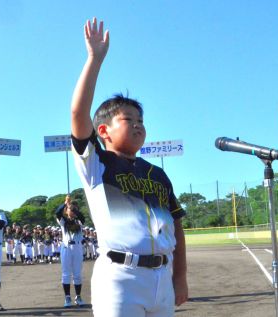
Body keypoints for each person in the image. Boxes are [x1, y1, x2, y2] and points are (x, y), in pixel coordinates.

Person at [69, 18, 188, 317]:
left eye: (141, 121)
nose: (137, 125)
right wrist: (95, 59)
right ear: (104, 131)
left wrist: (180, 277)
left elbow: (177, 227)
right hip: (121, 277)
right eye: (128, 120)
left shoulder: (157, 174)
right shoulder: (96, 164)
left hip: (162, 277)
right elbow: (77, 114)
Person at [56, 196, 85, 308]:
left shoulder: (79, 221)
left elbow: (82, 218)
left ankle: (78, 296)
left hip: (77, 248)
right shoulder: (63, 221)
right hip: (66, 247)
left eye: (74, 209)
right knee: (66, 273)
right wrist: (65, 204)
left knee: (77, 273)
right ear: (66, 210)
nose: (72, 211)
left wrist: (73, 208)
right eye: (70, 209)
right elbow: (57, 212)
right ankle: (67, 297)